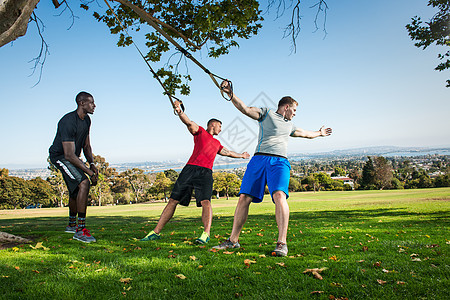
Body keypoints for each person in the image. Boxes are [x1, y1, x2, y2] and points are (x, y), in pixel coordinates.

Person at [213, 81, 332, 256]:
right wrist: (230, 94)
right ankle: (232, 241)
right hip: (259, 159)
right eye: (295, 110)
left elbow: (306, 134)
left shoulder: (290, 125)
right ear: (286, 107)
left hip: (280, 162)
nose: (295, 114)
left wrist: (319, 133)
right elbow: (245, 109)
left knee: (279, 196)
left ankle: (282, 243)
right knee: (244, 197)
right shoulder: (266, 113)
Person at [141, 101, 250, 244]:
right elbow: (188, 122)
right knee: (173, 200)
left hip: (205, 173)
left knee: (206, 202)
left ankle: (206, 234)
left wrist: (241, 155)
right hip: (190, 169)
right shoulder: (200, 132)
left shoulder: (217, 144)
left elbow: (228, 152)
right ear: (212, 125)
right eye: (220, 126)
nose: (221, 130)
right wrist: (179, 110)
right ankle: (155, 232)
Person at [49, 91, 99, 243]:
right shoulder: (68, 121)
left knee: (75, 189)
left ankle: (72, 224)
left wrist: (92, 163)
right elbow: (69, 155)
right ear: (81, 103)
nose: (94, 105)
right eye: (91, 102)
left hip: (71, 157)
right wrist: (89, 173)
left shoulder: (87, 120)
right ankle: (80, 230)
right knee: (83, 183)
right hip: (60, 157)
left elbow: (86, 145)